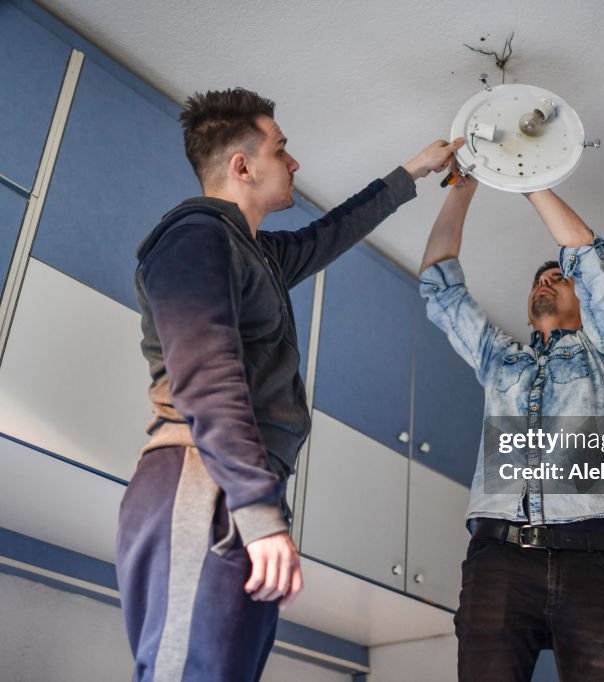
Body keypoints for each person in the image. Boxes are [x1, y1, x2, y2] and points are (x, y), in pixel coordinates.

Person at [117, 87, 462, 682]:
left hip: (243, 488)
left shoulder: (260, 256)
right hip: (204, 482)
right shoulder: (195, 237)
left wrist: (414, 170)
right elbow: (206, 378)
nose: (295, 162)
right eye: (282, 149)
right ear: (242, 165)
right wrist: (255, 508)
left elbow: (332, 232)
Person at [419, 171, 604, 681]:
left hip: (594, 559)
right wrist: (464, 189)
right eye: (538, 280)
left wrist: (522, 172)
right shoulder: (499, 359)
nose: (544, 281)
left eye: (557, 279)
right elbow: (438, 282)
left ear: (586, 305)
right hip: (499, 559)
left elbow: (585, 253)